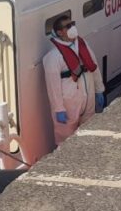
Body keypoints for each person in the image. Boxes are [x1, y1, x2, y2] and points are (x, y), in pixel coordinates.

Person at [43, 16, 105, 145]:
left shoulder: (83, 45)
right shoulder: (53, 57)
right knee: (66, 140)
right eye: (68, 26)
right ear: (60, 32)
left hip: (88, 99)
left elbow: (94, 66)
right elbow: (52, 87)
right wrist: (58, 108)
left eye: (72, 24)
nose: (72, 27)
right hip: (69, 104)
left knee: (89, 134)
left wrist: (99, 89)